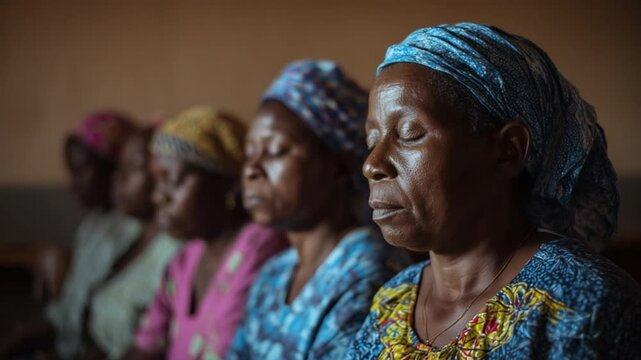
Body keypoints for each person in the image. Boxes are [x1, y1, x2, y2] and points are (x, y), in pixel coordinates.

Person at [347, 23, 641, 359]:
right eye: (372, 141)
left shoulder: (582, 304)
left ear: (507, 151)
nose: (372, 164)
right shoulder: (392, 301)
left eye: (410, 134)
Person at [228, 60, 396, 360]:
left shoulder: (366, 275)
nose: (251, 170)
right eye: (249, 154)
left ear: (340, 167)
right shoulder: (273, 275)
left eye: (276, 150)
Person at [126, 106, 288, 360]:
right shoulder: (184, 261)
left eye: (172, 180)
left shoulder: (262, 247)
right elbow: (145, 347)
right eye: (157, 181)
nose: (158, 196)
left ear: (229, 184)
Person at [1, 111, 139, 359]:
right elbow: (65, 313)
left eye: (81, 171)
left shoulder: (132, 234)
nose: (73, 183)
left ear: (113, 168)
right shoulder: (93, 226)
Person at [84, 125, 181, 359]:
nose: (119, 178)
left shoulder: (178, 253)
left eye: (132, 168)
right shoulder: (123, 235)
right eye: (119, 167)